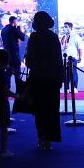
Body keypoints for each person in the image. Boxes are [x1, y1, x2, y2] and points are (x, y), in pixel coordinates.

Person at [24, 10, 63, 149]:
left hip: (38, 78)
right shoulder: (53, 37)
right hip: (52, 78)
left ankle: (41, 137)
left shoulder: (34, 37)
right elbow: (58, 58)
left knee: (39, 109)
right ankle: (49, 139)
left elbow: (29, 61)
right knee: (52, 109)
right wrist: (60, 77)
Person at [60, 21, 84, 93]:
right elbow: (61, 47)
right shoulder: (63, 37)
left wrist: (80, 57)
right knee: (65, 74)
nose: (64, 28)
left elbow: (80, 47)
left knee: (73, 73)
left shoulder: (75, 37)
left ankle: (74, 87)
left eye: (66, 27)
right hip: (64, 58)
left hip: (72, 58)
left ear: (70, 28)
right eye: (64, 27)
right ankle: (66, 88)